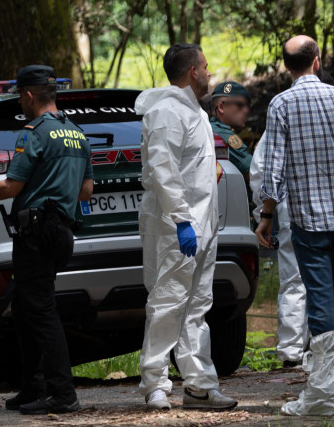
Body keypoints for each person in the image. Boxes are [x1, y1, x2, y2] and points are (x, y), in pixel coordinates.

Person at [255, 36, 334, 416]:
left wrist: (266, 215)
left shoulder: (282, 104)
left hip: (309, 220)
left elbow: (273, 167)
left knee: (321, 303)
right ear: (318, 60)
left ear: (287, 67)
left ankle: (324, 396)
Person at [0, 65, 92, 415]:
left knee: (40, 311)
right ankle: (33, 387)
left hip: (36, 233)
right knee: (25, 308)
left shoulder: (34, 133)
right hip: (62, 232)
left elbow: (12, 186)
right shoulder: (77, 134)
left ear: (27, 95)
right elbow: (86, 190)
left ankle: (63, 394)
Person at [135, 43, 238, 412]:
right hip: (174, 224)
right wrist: (181, 220)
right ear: (193, 71)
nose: (211, 74)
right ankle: (155, 383)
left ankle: (198, 385)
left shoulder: (194, 112)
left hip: (201, 224)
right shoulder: (165, 112)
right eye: (207, 68)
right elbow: (164, 171)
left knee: (197, 306)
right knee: (167, 302)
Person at [248, 126, 308, 369]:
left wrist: (264, 215)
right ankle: (327, 348)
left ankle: (292, 352)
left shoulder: (283, 114)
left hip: (291, 211)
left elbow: (262, 171)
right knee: (329, 280)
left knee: (294, 281)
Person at [208, 81, 253, 179]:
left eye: (247, 106)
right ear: (221, 107)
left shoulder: (210, 128)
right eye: (240, 105)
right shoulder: (223, 134)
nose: (246, 111)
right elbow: (254, 173)